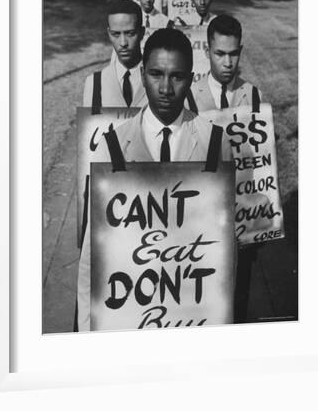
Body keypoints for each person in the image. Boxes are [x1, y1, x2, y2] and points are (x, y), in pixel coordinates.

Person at [77, 28, 231, 330]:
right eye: (156, 74)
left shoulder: (216, 142)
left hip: (191, 312)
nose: (165, 88)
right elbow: (90, 263)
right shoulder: (112, 146)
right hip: (128, 314)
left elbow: (224, 255)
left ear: (190, 78)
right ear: (142, 74)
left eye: (177, 77)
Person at [82, 0, 148, 108]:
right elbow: (90, 124)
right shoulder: (95, 83)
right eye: (116, 34)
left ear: (142, 32)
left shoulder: (159, 79)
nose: (123, 43)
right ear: (109, 34)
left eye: (130, 33)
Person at [190, 14, 263, 111]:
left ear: (240, 51)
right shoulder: (190, 97)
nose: (228, 63)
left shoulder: (254, 96)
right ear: (208, 52)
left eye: (233, 54)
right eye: (220, 54)